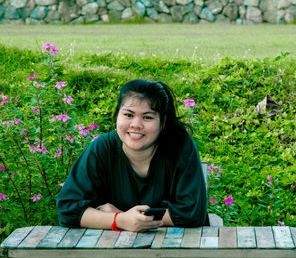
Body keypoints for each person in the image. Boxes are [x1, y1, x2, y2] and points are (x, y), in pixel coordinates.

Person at [56, 79, 209, 232]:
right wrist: (119, 220)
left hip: (176, 249)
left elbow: (192, 213)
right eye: (128, 115)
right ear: (117, 116)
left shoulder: (179, 146)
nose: (136, 124)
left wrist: (127, 218)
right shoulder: (102, 148)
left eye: (147, 117)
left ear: (163, 122)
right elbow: (68, 209)